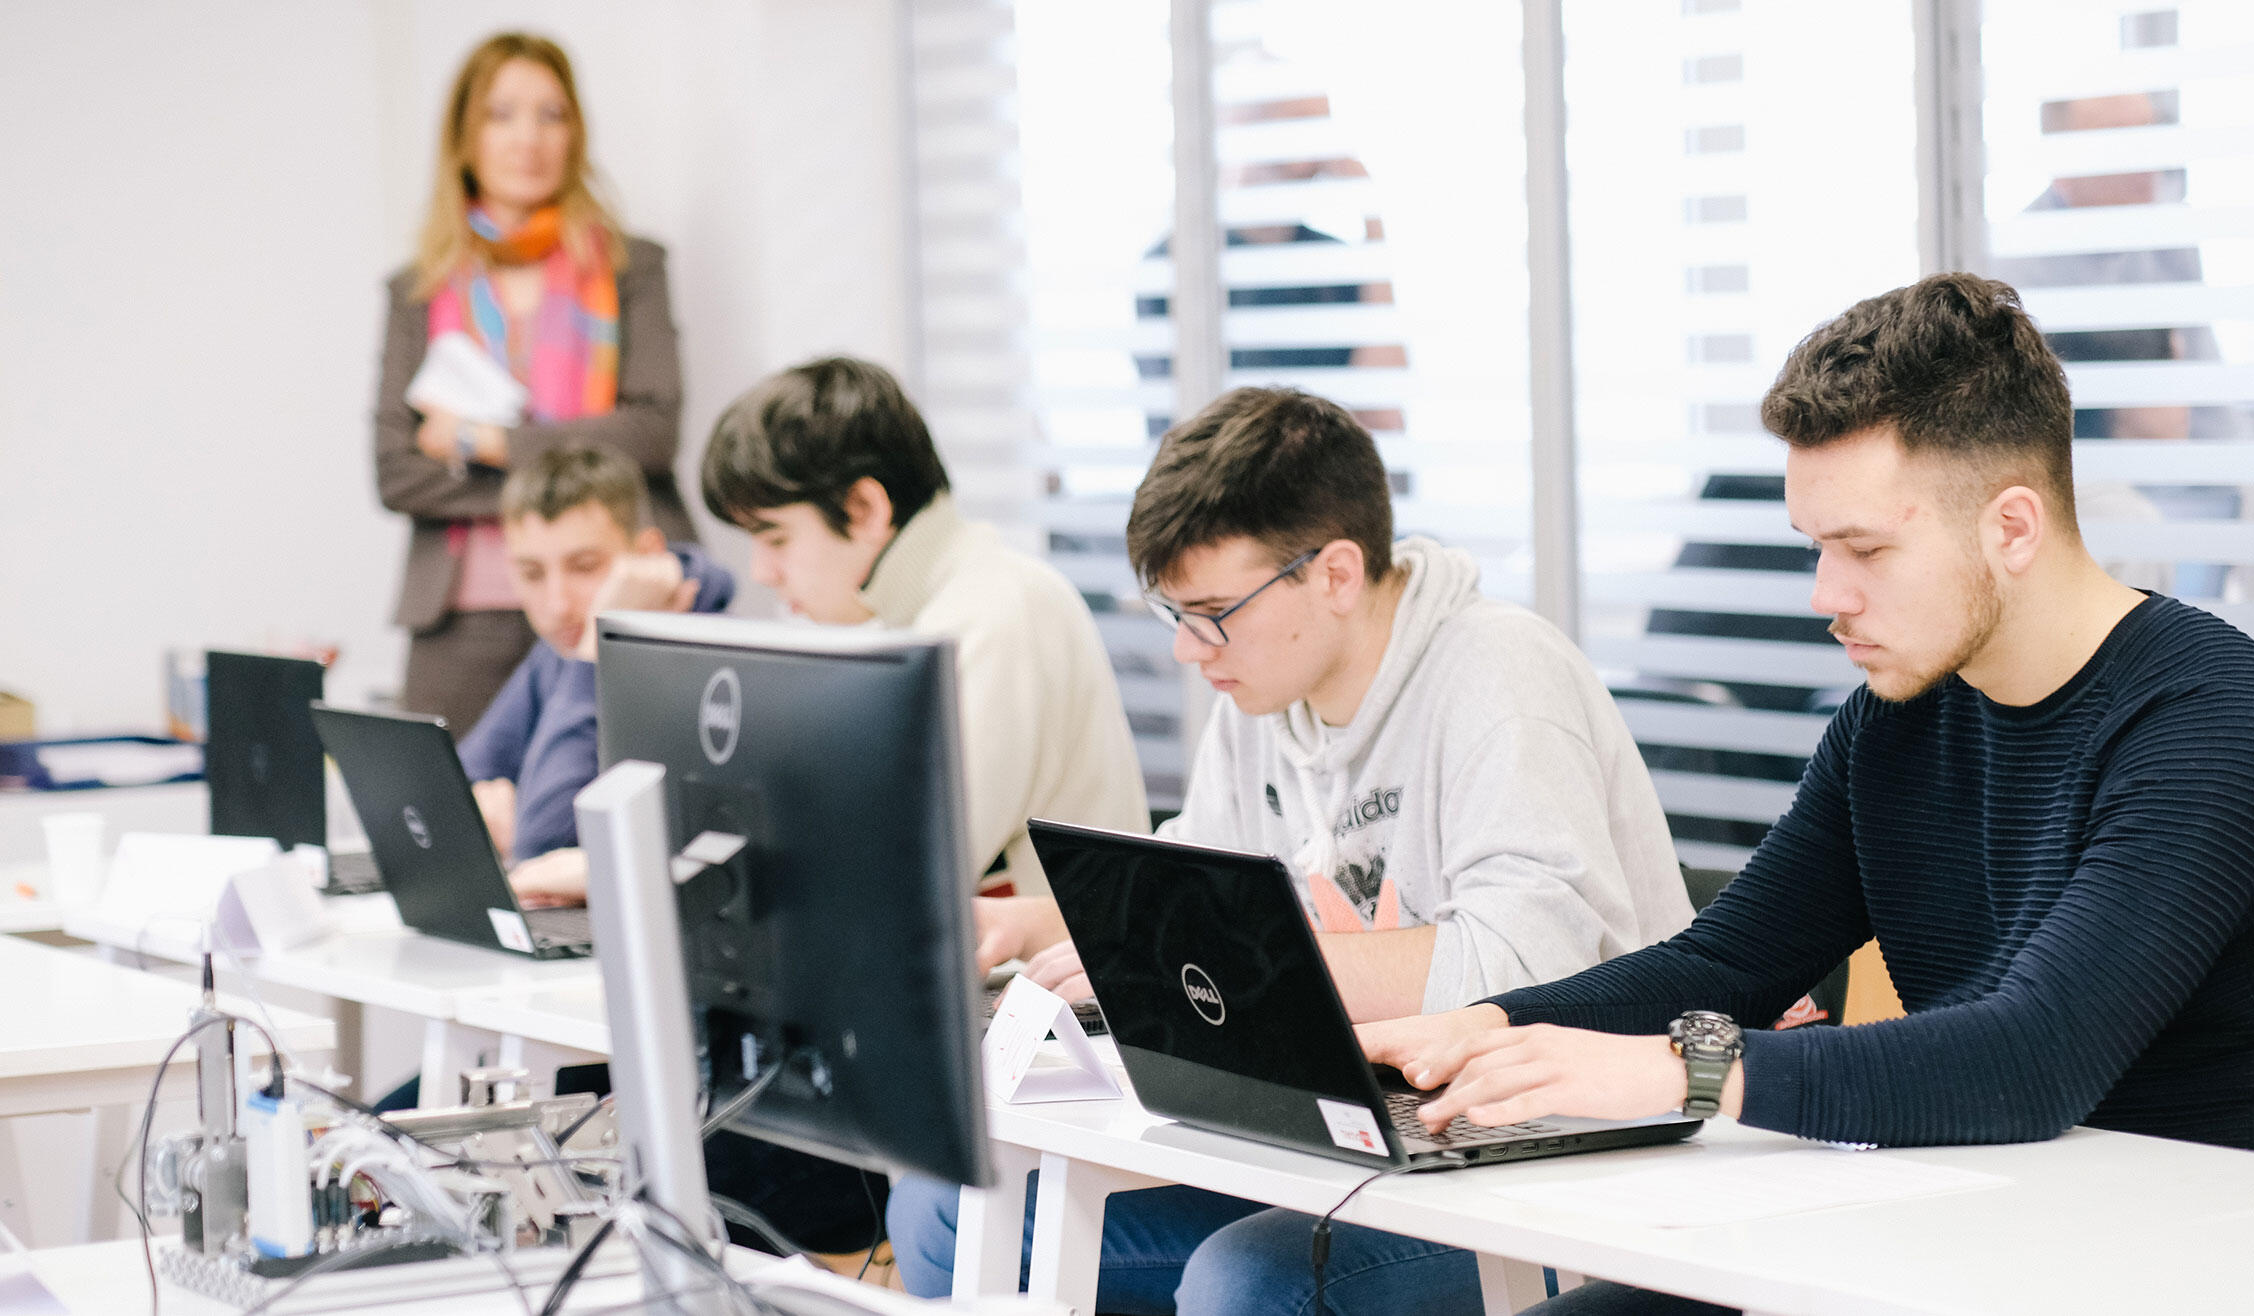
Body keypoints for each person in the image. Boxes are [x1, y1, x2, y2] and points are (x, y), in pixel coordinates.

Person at [1351, 273, 2254, 1315]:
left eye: (1865, 550)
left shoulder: (2213, 723)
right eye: (1817, 548)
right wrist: (1482, 1029)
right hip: (1976, 1221)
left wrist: (1679, 1072)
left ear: (2012, 527)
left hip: (2193, 1263)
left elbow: (2034, 1053)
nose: (1827, 597)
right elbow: (1725, 960)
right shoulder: (1899, 713)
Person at [889, 386, 1698, 1312]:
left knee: (1248, 1283)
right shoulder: (1262, 695)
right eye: (1175, 614)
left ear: (1336, 575)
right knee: (941, 1213)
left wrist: (1236, 961)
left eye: (1215, 611)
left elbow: (1527, 963)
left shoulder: (1502, 675)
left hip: (1547, 1157)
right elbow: (1192, 894)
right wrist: (1045, 923)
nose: (1194, 651)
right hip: (1351, 1127)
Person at [698, 355, 1151, 898]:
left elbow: (893, 874)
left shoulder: (995, 613)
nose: (761, 572)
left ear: (866, 508)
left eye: (775, 539)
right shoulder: (913, 615)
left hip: (1038, 979)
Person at [374, 31, 694, 740]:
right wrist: (565, 484)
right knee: (452, 821)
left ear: (577, 133)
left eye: (552, 115)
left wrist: (479, 441)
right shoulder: (418, 292)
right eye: (502, 114)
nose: (529, 138)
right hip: (462, 613)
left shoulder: (630, 267)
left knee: (631, 818)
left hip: (618, 600)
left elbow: (650, 433)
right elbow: (397, 472)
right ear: (464, 135)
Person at [455, 445, 732, 906]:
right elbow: (458, 786)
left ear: (645, 554)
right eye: (531, 573)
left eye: (584, 567)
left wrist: (590, 662)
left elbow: (540, 843)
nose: (557, 603)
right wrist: (482, 807)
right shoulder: (559, 649)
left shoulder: (713, 655)